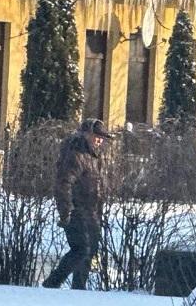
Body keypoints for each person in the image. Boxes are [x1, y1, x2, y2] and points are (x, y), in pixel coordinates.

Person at [42, 118, 115, 290]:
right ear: (86, 134)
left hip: (92, 212)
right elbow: (63, 184)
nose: (99, 140)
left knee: (90, 252)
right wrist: (66, 210)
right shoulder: (75, 154)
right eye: (96, 136)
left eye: (101, 137)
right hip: (76, 210)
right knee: (81, 249)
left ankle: (79, 290)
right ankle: (52, 283)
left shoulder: (94, 156)